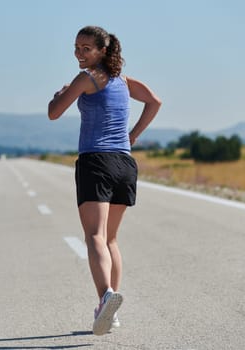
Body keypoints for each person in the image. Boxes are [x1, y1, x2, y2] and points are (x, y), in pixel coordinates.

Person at [48, 26, 161, 335]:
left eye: (86, 48)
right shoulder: (124, 81)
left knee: (95, 237)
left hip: (96, 161)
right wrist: (133, 136)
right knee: (110, 240)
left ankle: (106, 298)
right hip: (125, 163)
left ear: (101, 51)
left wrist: (58, 95)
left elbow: (54, 113)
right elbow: (154, 101)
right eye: (76, 47)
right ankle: (108, 309)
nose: (79, 54)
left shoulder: (87, 78)